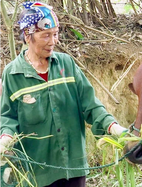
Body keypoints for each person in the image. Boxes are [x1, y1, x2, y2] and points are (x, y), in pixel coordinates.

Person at [0, 2, 127, 186]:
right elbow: (8, 117)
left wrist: (114, 128)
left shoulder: (67, 65)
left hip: (73, 170)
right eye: (46, 36)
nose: (53, 41)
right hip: (37, 175)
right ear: (28, 36)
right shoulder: (13, 74)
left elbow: (90, 105)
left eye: (55, 34)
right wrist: (5, 138)